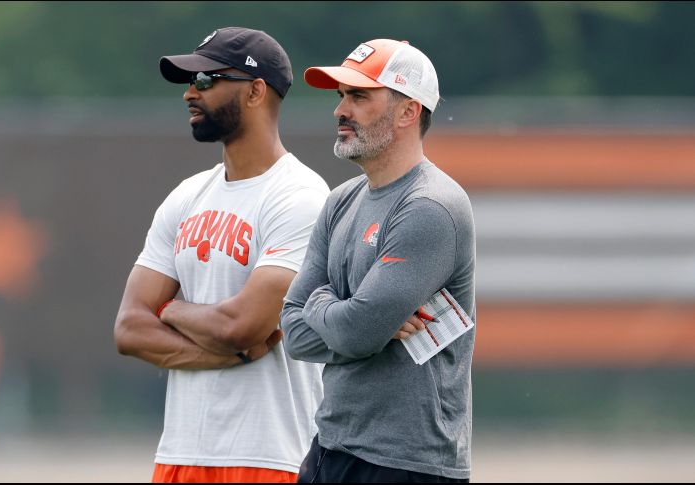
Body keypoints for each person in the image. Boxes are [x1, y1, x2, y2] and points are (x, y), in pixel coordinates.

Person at [114, 27, 329, 483]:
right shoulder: (187, 195)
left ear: (255, 91)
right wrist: (221, 357)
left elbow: (243, 327)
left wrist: (169, 308)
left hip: (269, 458)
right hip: (178, 454)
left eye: (207, 80)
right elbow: (130, 328)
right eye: (190, 82)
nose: (190, 93)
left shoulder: (301, 196)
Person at [281, 39, 476, 483]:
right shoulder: (340, 201)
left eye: (359, 96)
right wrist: (345, 313)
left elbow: (358, 332)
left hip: (406, 463)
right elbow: (293, 331)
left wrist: (332, 308)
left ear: (408, 111)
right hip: (330, 449)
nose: (340, 110)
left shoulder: (431, 206)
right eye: (341, 96)